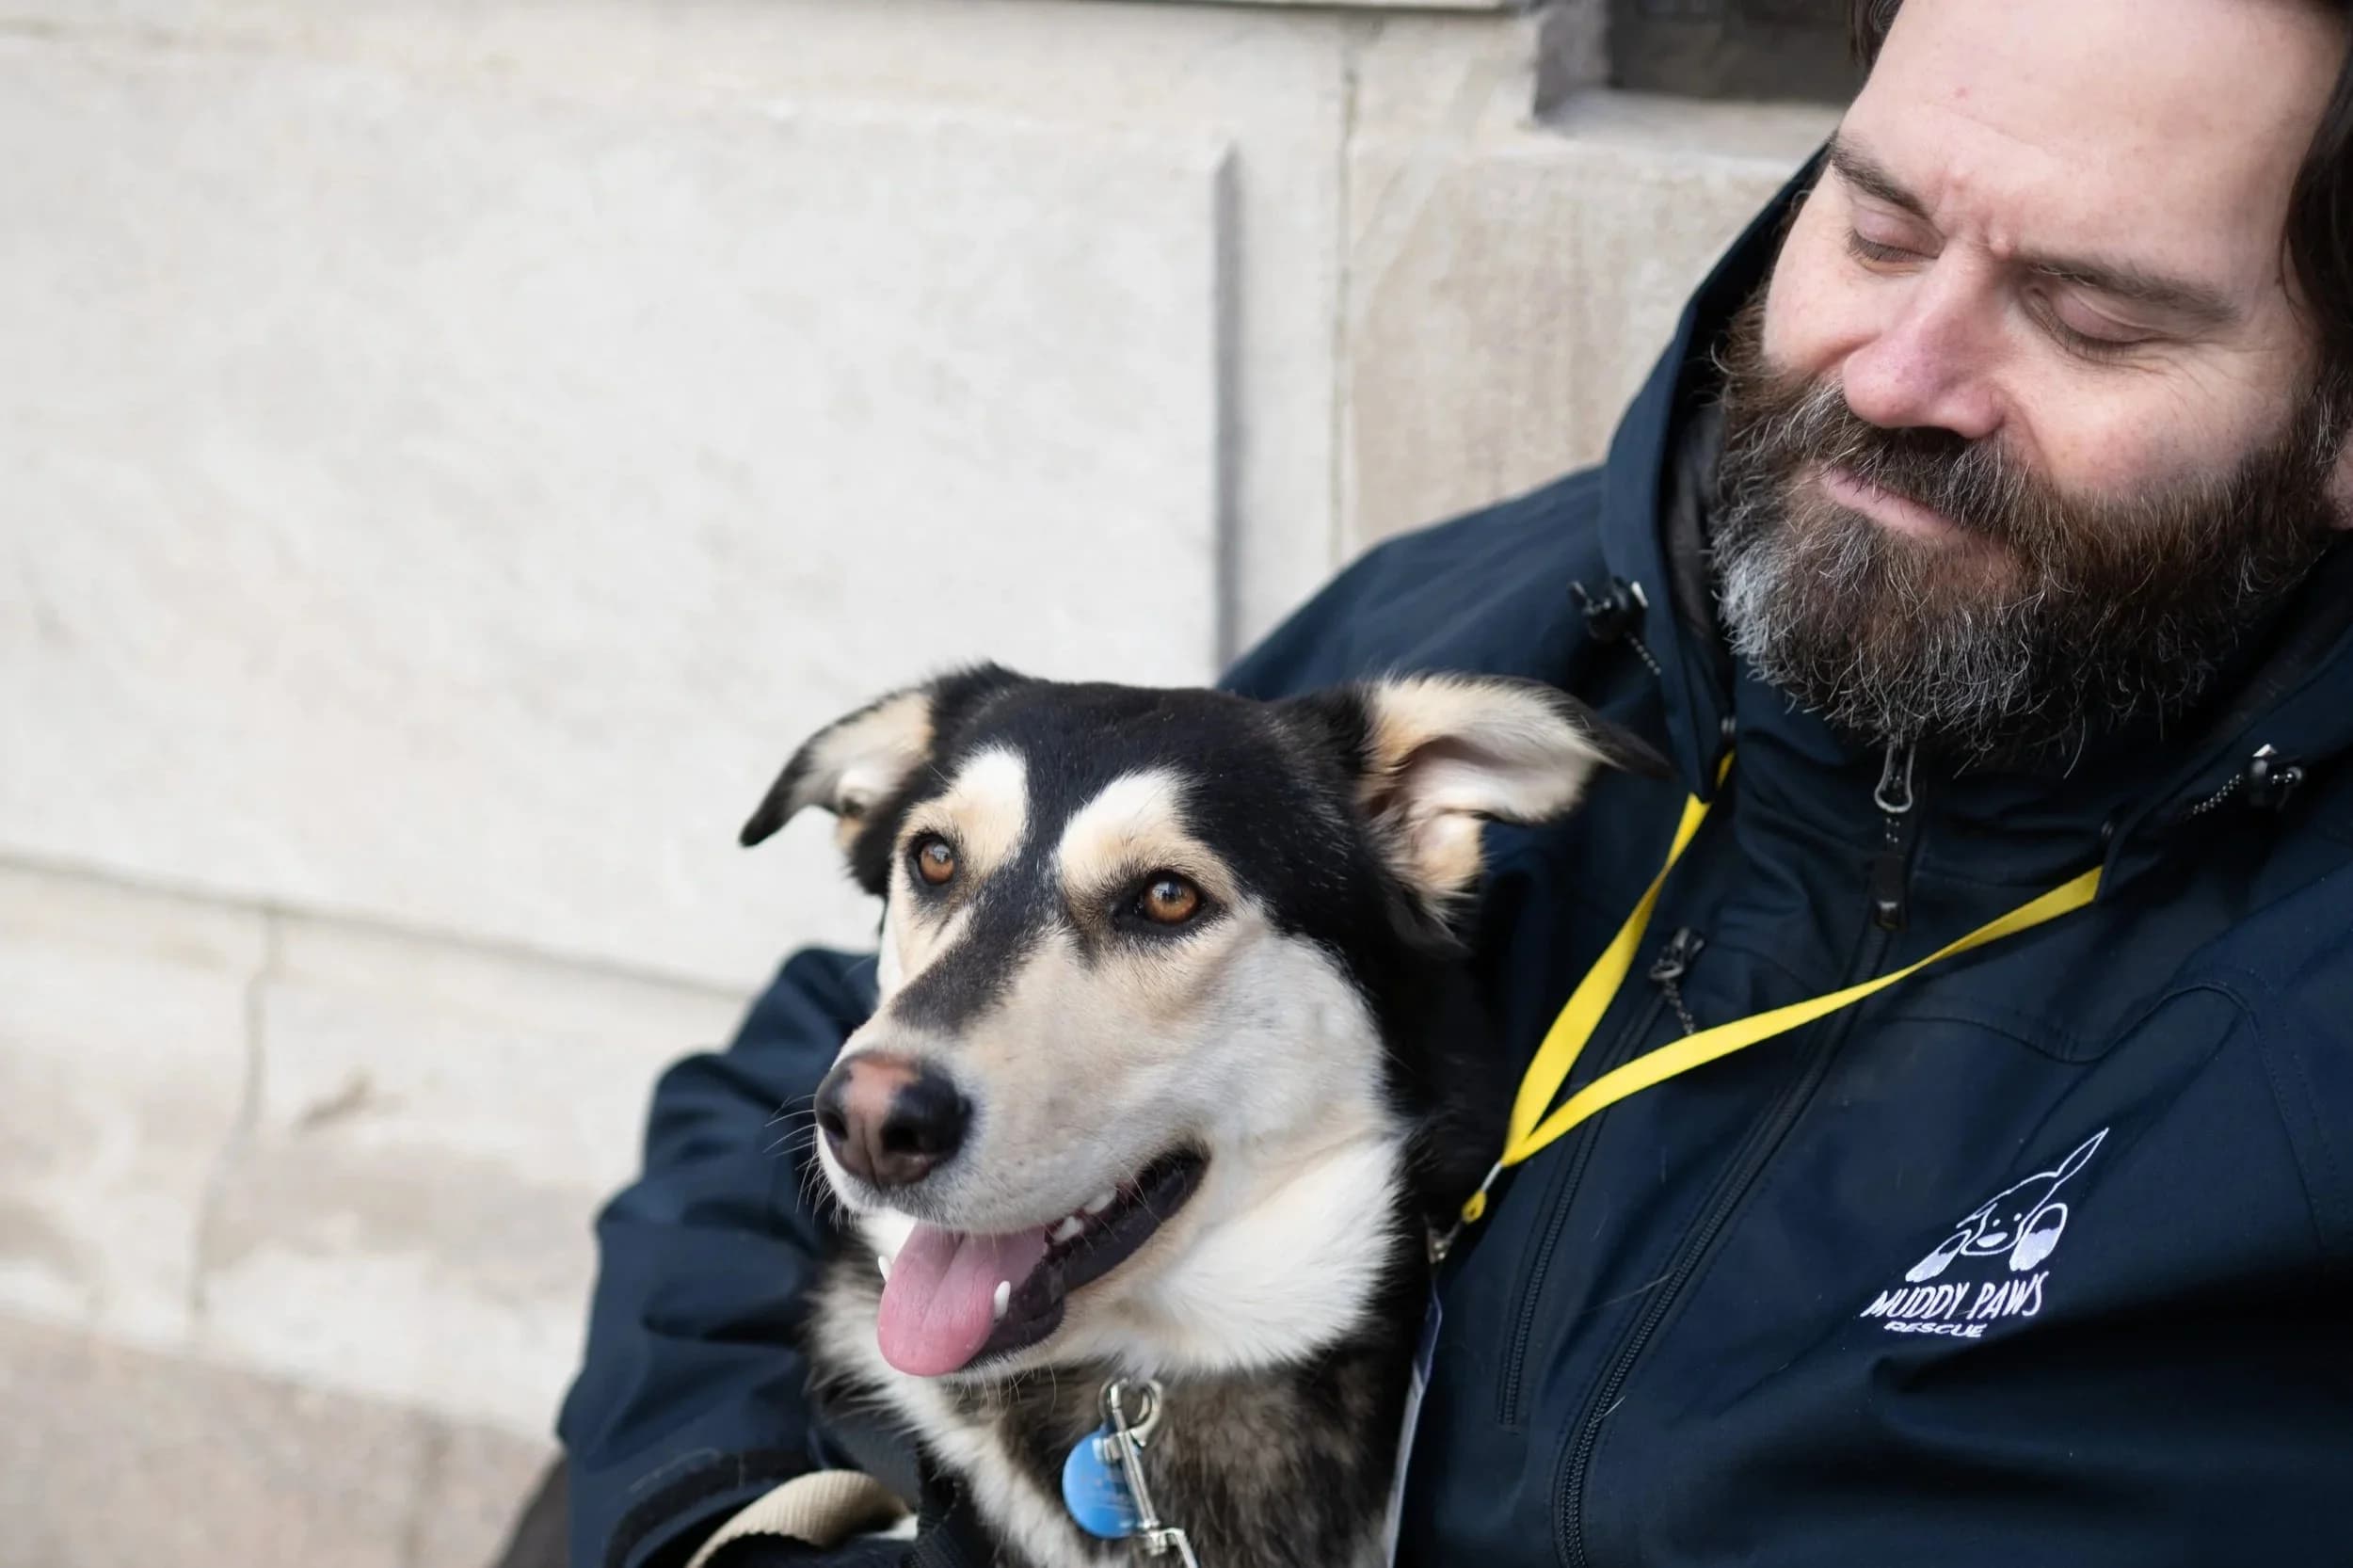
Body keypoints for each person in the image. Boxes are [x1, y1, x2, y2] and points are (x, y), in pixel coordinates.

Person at [538, 1, 2353, 1563]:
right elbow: (796, 1116)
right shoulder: (1518, 618)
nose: (1898, 375)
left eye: (2093, 319)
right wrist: (728, 1519)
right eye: (1875, 227)